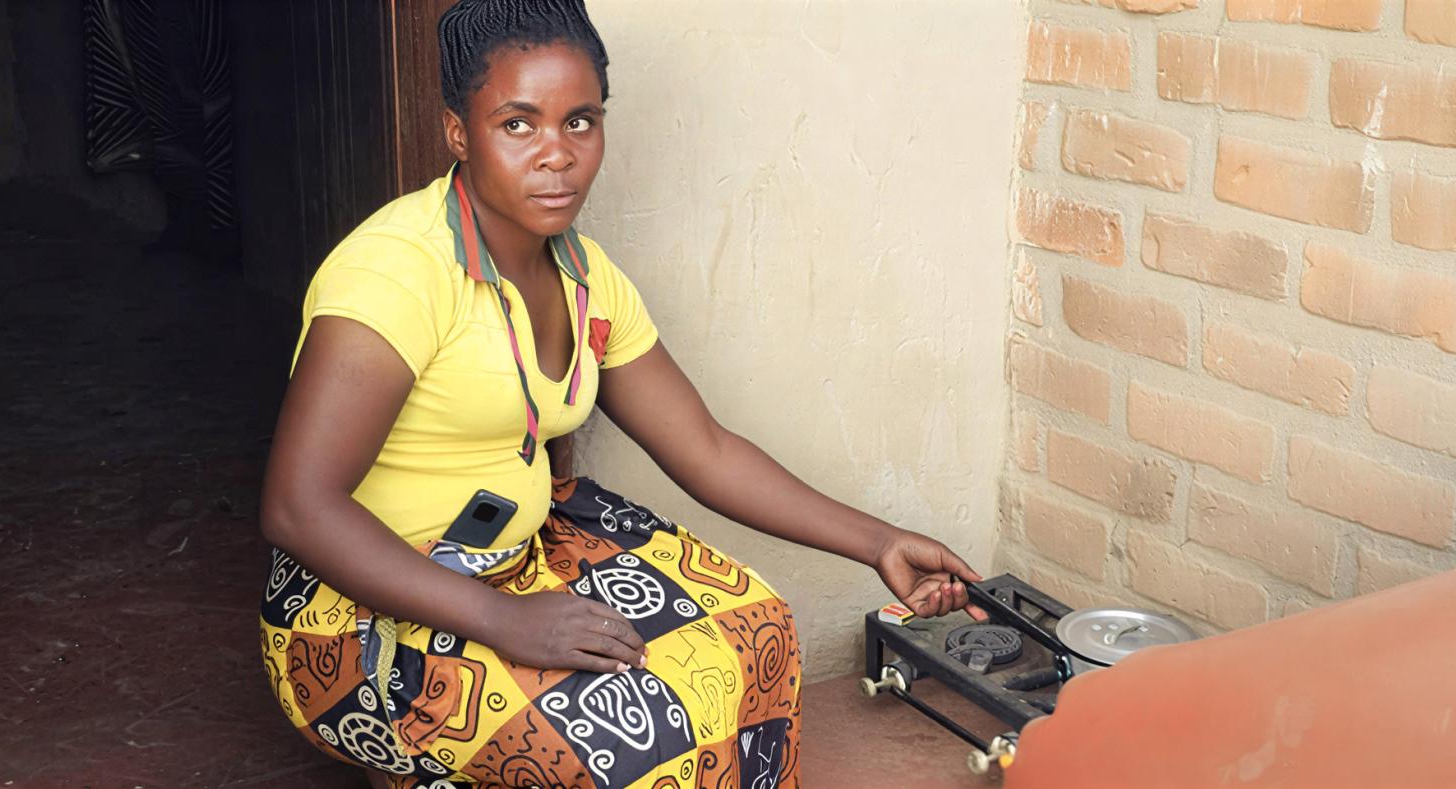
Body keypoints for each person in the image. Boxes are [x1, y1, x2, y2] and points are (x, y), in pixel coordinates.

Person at [256, 2, 983, 786]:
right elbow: (299, 506)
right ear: (459, 133)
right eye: (518, 124)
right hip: (357, 610)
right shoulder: (397, 272)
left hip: (516, 554)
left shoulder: (583, 274)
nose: (557, 155)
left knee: (757, 630)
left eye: (580, 122)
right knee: (633, 740)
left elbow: (704, 448)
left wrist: (878, 543)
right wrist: (506, 621)